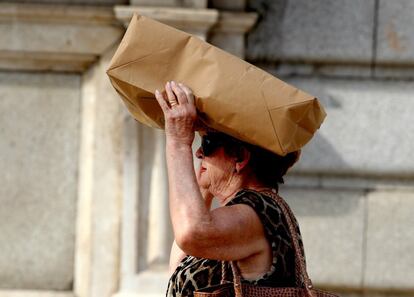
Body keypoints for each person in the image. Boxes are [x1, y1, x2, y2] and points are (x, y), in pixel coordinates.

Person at [155, 81, 305, 297]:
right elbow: (179, 267)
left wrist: (179, 142)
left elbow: (191, 233)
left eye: (207, 144)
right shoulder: (239, 216)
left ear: (240, 158)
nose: (198, 153)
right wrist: (202, 185)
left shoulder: (258, 210)